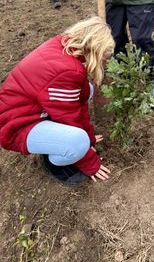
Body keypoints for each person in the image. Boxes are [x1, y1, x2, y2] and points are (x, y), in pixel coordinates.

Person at [0, 17, 115, 185]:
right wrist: (90, 161)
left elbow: (78, 102)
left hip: (28, 107)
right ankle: (54, 163)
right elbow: (68, 119)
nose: (104, 61)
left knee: (87, 90)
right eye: (104, 56)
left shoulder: (64, 45)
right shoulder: (68, 72)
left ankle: (54, 141)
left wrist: (90, 137)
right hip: (16, 124)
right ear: (95, 50)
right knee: (77, 142)